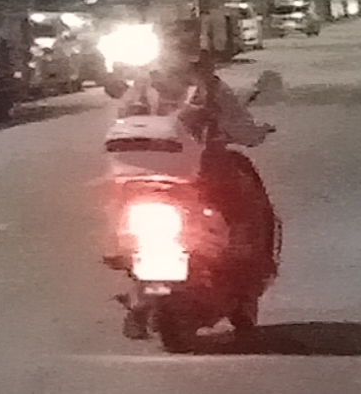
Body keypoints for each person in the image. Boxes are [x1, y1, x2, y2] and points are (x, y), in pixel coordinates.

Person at [119, 18, 278, 276]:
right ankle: (246, 253)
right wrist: (255, 133)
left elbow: (123, 120)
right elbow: (240, 128)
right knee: (244, 195)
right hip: (195, 169)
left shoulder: (143, 86)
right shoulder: (208, 86)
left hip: (149, 168)